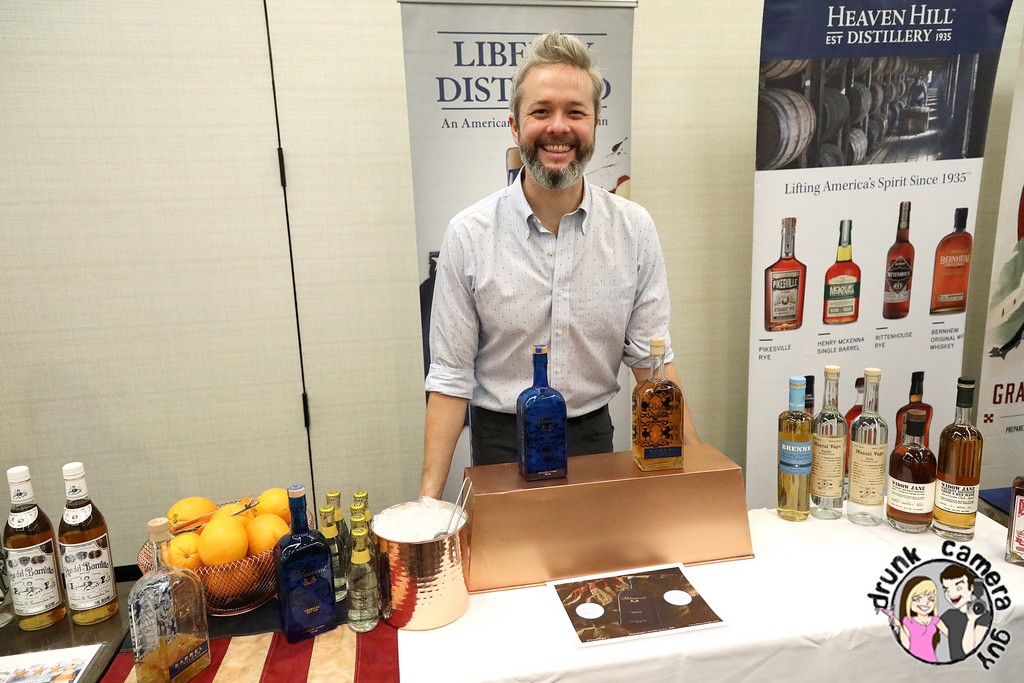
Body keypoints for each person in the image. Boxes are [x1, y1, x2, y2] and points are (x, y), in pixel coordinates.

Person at [419, 32, 699, 499]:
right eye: (541, 111)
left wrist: (698, 476)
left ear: (595, 124)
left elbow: (654, 364)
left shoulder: (633, 229)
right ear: (514, 126)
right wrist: (427, 502)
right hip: (500, 446)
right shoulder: (468, 235)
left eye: (575, 112)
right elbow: (450, 379)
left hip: (593, 442)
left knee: (598, 549)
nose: (558, 127)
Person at [938, 565, 990, 661]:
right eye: (946, 589)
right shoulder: (949, 615)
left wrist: (971, 620)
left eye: (958, 588)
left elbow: (969, 651)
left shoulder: (984, 616)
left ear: (971, 587)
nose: (951, 594)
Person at [891, 576, 947, 662]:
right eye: (917, 599)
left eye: (931, 599)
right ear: (908, 600)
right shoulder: (908, 621)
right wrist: (899, 626)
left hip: (932, 659)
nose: (925, 603)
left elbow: (951, 635)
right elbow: (906, 645)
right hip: (913, 661)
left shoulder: (935, 620)